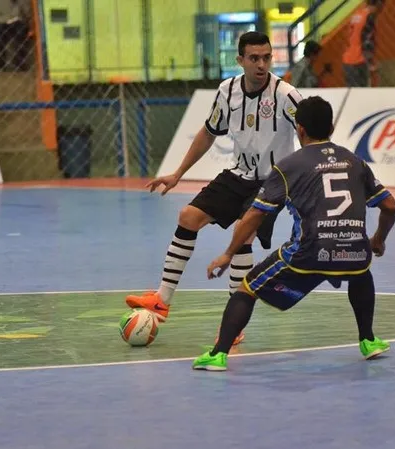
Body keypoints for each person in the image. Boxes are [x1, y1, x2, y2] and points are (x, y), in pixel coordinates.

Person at [192, 95, 395, 371]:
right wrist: (378, 240)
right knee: (361, 269)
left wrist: (227, 254)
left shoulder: (289, 166)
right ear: (332, 128)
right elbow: (391, 207)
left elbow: (254, 214)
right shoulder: (355, 162)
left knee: (247, 288)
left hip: (310, 251)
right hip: (353, 248)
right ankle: (368, 340)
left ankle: (218, 355)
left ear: (299, 129)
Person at [126, 31, 303, 345]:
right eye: (254, 58)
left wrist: (305, 182)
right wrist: (178, 173)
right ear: (240, 61)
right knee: (188, 217)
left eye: (266, 57)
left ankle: (234, 322)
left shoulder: (285, 94)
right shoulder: (228, 90)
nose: (262, 64)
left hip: (273, 181)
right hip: (238, 174)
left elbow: (307, 133)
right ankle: (161, 300)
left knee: (242, 231)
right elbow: (209, 132)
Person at [341, 0, 384, 87]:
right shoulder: (369, 17)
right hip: (359, 60)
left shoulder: (357, 14)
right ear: (379, 4)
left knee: (352, 93)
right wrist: (370, 63)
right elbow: (367, 41)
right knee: (361, 94)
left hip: (348, 58)